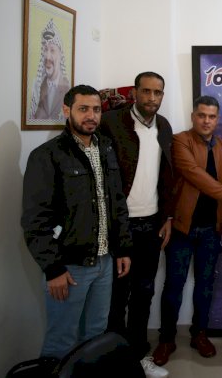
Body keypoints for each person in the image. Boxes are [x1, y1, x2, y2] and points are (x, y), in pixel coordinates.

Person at [22, 84, 132, 359]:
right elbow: (35, 219)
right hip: (70, 267)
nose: (91, 116)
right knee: (61, 340)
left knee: (96, 336)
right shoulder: (47, 155)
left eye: (96, 109)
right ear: (66, 110)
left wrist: (123, 248)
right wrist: (53, 268)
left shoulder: (105, 148)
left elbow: (116, 202)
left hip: (105, 262)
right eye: (83, 109)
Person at [152, 96, 222, 366]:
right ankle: (166, 339)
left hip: (211, 230)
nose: (206, 121)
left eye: (211, 116)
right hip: (182, 228)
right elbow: (194, 174)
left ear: (217, 119)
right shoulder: (180, 141)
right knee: (173, 286)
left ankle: (200, 334)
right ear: (193, 116)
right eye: (201, 115)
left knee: (206, 286)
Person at [100, 72, 173, 367]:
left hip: (152, 224)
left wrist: (167, 216)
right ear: (134, 92)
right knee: (117, 295)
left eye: (157, 92)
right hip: (120, 224)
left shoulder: (164, 126)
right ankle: (114, 359)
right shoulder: (112, 122)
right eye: (146, 91)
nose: (151, 98)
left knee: (144, 292)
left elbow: (167, 176)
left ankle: (139, 355)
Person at [31, 19, 71, 120]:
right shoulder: (37, 85)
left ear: (60, 55)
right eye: (45, 50)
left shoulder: (68, 87)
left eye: (52, 50)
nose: (47, 57)